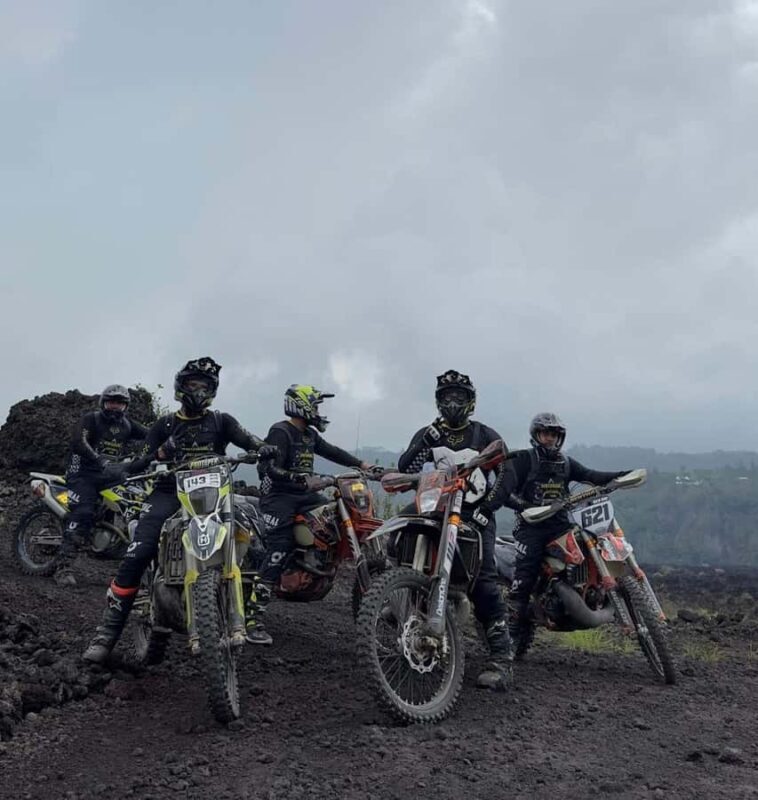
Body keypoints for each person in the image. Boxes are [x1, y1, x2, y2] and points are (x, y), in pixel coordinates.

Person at [82, 357, 274, 664]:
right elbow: (140, 460)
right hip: (169, 491)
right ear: (181, 386)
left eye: (204, 386)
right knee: (139, 552)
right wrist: (161, 452)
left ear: (212, 390)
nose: (198, 390)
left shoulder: (221, 421)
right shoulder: (165, 425)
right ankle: (105, 635)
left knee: (254, 540)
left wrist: (263, 448)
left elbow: (250, 440)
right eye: (192, 384)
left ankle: (250, 615)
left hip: (214, 492)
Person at [398, 369, 513, 691]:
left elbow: (506, 475)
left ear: (470, 401)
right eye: (446, 397)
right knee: (397, 532)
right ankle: (395, 600)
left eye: (458, 397)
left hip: (474, 512)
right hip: (435, 506)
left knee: (483, 581)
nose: (452, 402)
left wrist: (487, 510)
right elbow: (406, 468)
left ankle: (502, 659)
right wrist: (424, 441)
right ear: (438, 401)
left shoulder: (484, 434)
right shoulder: (430, 433)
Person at [245, 384, 380, 645]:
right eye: (315, 406)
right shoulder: (281, 431)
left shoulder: (309, 434)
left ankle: (317, 563)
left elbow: (331, 451)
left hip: (305, 495)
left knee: (331, 517)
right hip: (279, 497)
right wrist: (296, 478)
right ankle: (253, 618)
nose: (318, 412)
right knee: (279, 547)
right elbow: (269, 469)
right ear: (302, 406)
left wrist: (363, 465)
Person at [502, 412, 629, 653]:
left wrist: (621, 476)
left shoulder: (566, 463)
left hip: (561, 525)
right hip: (531, 528)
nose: (550, 438)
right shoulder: (524, 460)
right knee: (524, 579)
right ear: (536, 435)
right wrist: (526, 506)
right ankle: (509, 639)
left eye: (554, 434)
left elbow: (592, 476)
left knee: (587, 550)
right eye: (545, 433)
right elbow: (504, 491)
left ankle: (584, 594)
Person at [56, 385, 148, 586]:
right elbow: (79, 441)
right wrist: (98, 459)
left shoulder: (127, 425)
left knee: (138, 501)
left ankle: (118, 547)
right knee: (83, 512)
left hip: (108, 475)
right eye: (111, 402)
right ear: (103, 403)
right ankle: (63, 567)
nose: (115, 407)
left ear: (125, 406)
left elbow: (151, 435)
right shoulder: (91, 419)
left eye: (119, 403)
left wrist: (170, 441)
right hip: (82, 474)